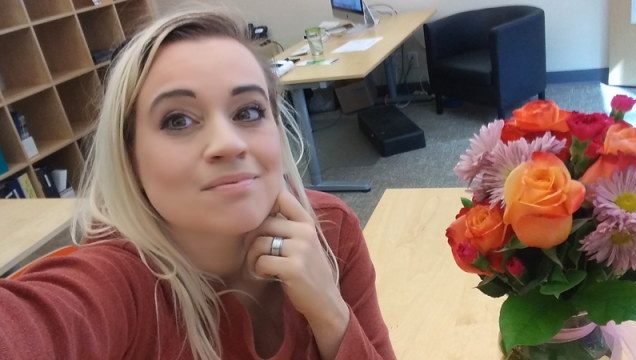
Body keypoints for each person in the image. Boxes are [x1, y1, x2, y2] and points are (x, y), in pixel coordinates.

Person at [0, 9, 396, 360]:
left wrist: (331, 314)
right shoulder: (116, 283)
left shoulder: (329, 229)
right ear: (130, 159)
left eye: (248, 111)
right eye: (178, 120)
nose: (228, 143)